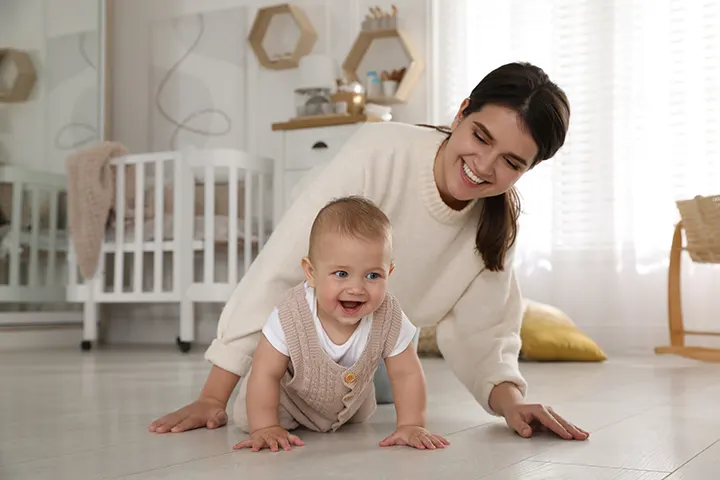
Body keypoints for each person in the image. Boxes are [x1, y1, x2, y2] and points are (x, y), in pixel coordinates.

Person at [149, 61, 589, 442]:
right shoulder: (381, 151)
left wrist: (511, 403)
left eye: (512, 163)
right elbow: (279, 270)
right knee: (278, 395)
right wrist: (213, 395)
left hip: (377, 346)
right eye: (481, 136)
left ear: (528, 170)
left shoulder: (496, 228)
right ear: (461, 112)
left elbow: (486, 331)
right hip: (303, 338)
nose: (484, 165)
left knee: (376, 390)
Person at [233, 196, 449, 452]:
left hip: (348, 407)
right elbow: (266, 372)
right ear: (311, 273)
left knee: (363, 410)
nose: (356, 288)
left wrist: (411, 424)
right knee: (251, 413)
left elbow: (407, 373)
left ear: (388, 273)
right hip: (287, 401)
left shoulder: (389, 315)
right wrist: (265, 426)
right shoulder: (291, 313)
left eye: (372, 275)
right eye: (341, 274)